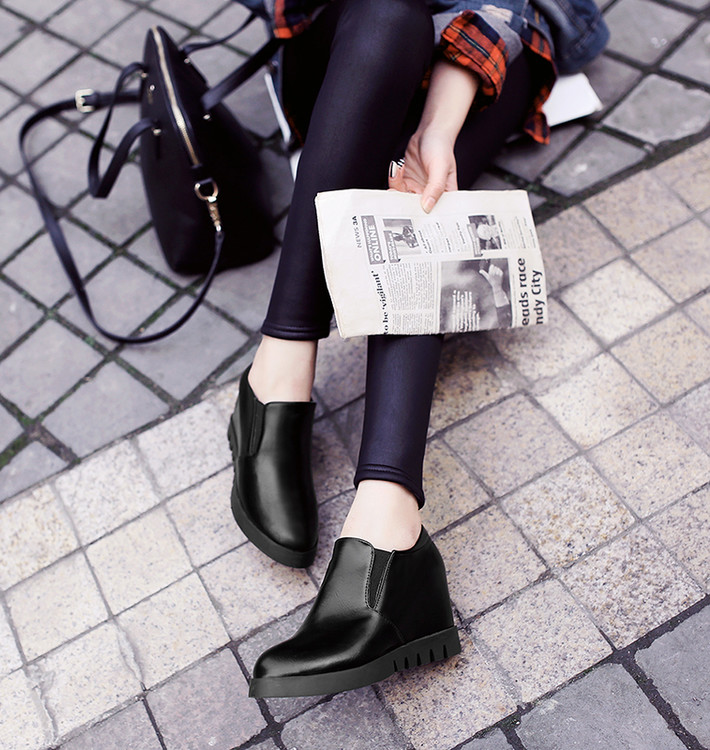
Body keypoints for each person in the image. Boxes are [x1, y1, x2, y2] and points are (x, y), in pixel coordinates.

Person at [226, 0, 608, 698]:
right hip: (349, 41)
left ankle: (386, 523)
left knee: (417, 178)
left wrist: (437, 125)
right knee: (386, 18)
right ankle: (283, 372)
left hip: (494, 41)